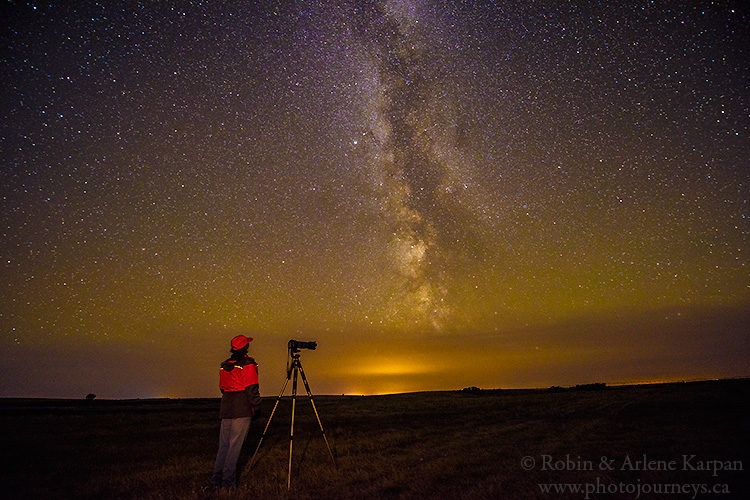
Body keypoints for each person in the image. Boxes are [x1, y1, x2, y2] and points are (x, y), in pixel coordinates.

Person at [211, 334, 261, 488]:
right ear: (245, 347)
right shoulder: (248, 364)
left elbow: (222, 388)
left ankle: (216, 480)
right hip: (241, 408)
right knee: (234, 447)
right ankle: (228, 482)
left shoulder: (224, 364)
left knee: (224, 446)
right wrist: (256, 406)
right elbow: (251, 387)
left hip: (226, 407)